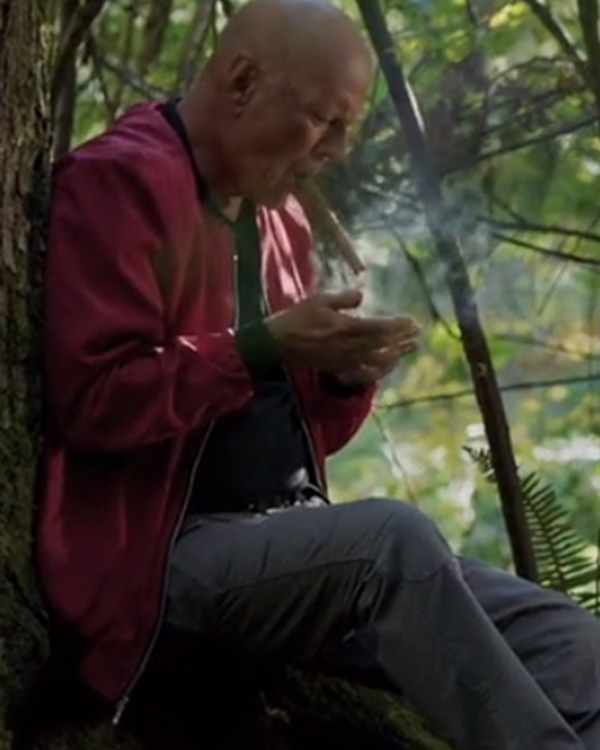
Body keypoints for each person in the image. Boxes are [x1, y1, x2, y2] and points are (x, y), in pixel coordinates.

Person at [37, 0, 600, 748]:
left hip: (286, 550)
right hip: (158, 559)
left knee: (569, 642)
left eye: (347, 129)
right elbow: (95, 403)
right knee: (392, 540)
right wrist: (260, 346)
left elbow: (295, 432)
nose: (335, 150)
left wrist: (340, 377)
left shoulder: (279, 218)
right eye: (324, 121)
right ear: (242, 81)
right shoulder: (121, 181)